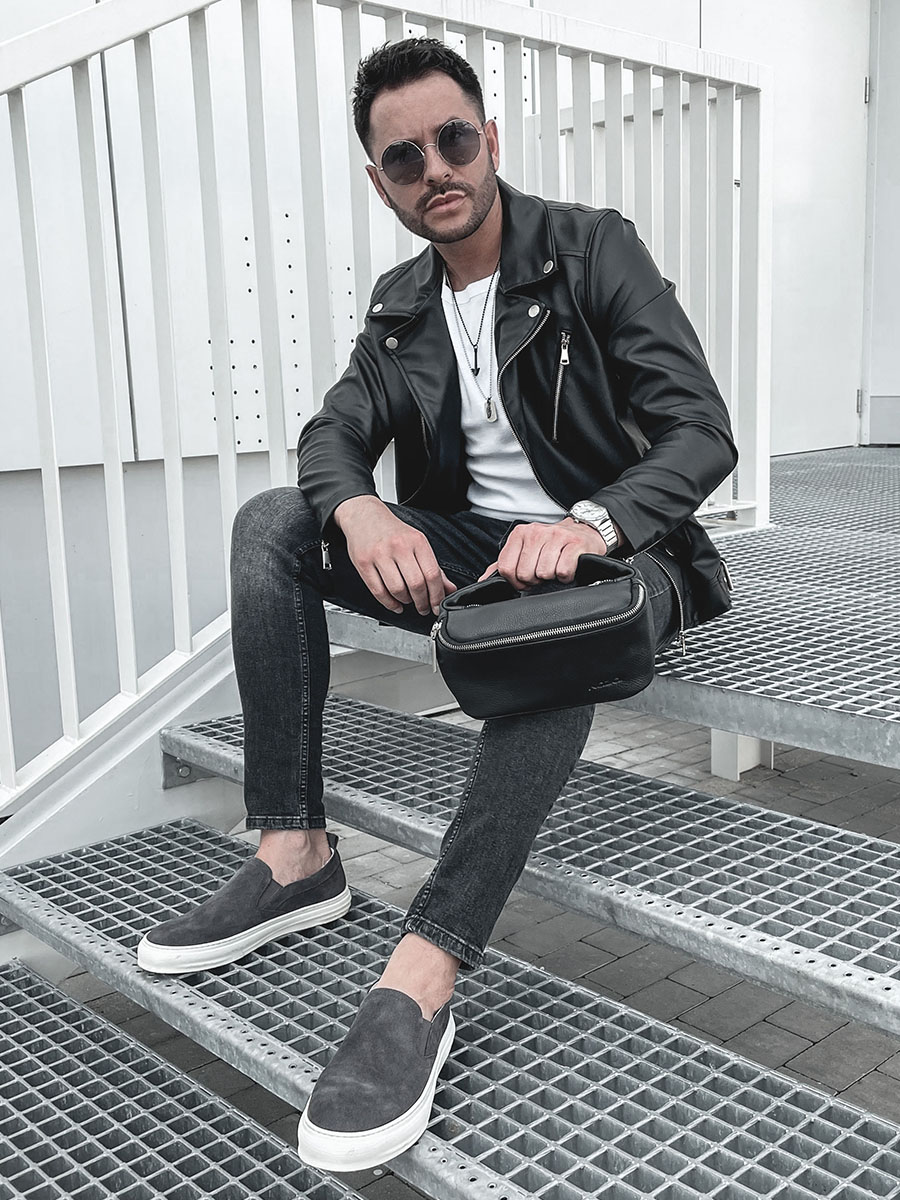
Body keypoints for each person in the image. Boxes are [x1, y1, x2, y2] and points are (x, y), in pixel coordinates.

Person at [136, 37, 737, 1171]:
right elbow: (332, 434)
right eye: (404, 157)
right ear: (382, 182)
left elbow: (701, 430)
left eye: (453, 139)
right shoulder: (402, 305)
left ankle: (426, 968)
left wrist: (593, 523)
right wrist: (364, 511)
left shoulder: (592, 249)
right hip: (476, 554)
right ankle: (294, 850)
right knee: (274, 522)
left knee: (547, 621)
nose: (437, 169)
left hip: (624, 555)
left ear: (490, 139)